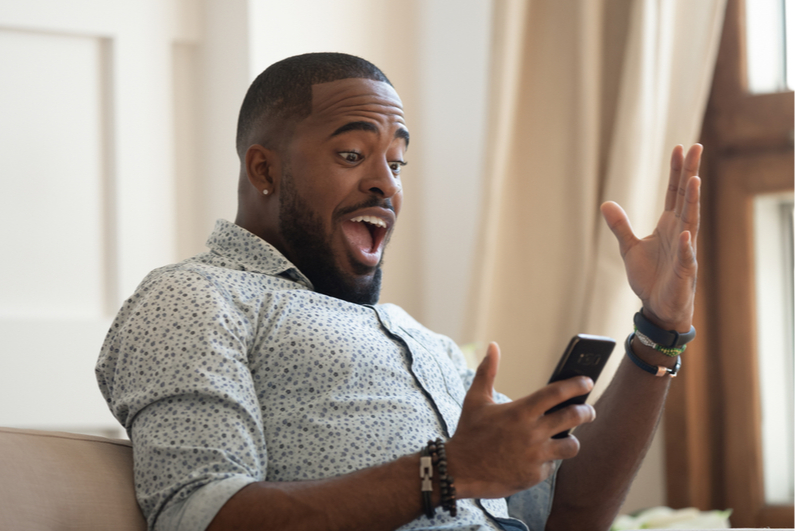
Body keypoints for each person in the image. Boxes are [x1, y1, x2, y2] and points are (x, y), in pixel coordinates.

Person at [96, 52, 702, 531]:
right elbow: (201, 516)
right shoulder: (193, 298)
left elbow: (569, 513)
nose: (385, 184)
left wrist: (659, 330)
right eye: (354, 153)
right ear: (264, 171)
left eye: (397, 161)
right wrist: (449, 471)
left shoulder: (423, 342)